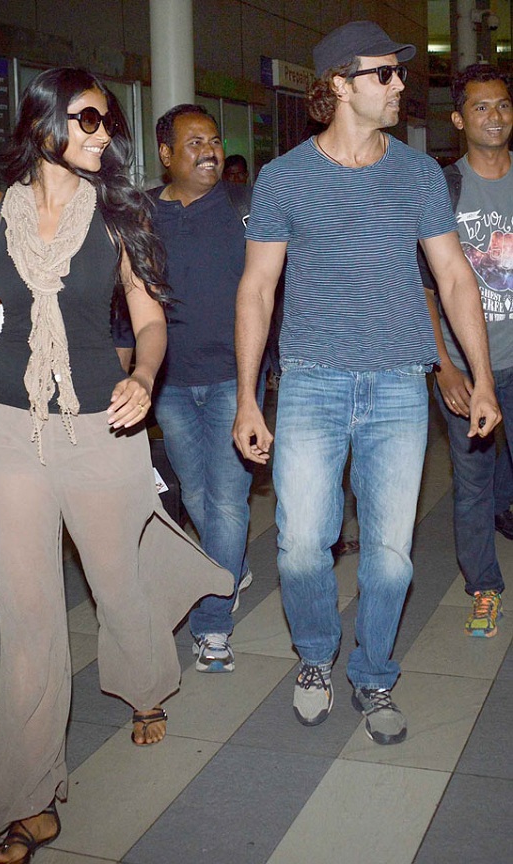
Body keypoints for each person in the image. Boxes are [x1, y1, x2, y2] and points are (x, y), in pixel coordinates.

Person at [0, 68, 232, 863]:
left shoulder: (119, 214)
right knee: (30, 622)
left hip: (99, 429)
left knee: (116, 586)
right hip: (11, 430)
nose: (102, 135)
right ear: (45, 122)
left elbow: (150, 321)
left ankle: (146, 687)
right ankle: (28, 801)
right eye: (87, 120)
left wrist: (144, 378)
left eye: (107, 124)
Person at [233, 21, 500, 745]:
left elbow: (452, 276)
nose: (400, 85)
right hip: (314, 383)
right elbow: (257, 290)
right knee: (299, 547)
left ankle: (374, 674)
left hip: (395, 387)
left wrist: (481, 380)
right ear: (339, 86)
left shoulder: (416, 175)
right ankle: (316, 656)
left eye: (400, 73)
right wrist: (248, 397)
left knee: (389, 556)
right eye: (385, 74)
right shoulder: (285, 176)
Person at [149, 104, 263, 673]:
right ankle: (230, 564)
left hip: (233, 382)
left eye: (214, 140)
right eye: (193, 143)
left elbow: (273, 291)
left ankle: (212, 623)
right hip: (168, 383)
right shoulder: (141, 215)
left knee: (227, 499)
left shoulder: (246, 208)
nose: (209, 151)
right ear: (166, 155)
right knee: (197, 497)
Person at [422, 64, 513, 638]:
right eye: (480, 107)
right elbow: (424, 288)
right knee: (473, 484)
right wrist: (445, 366)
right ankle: (483, 586)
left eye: (503, 105)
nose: (495, 116)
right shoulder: (442, 187)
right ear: (458, 119)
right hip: (468, 370)